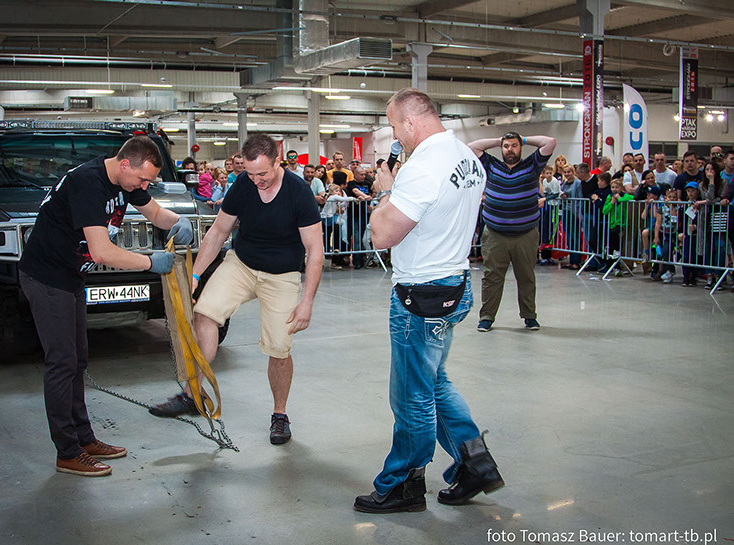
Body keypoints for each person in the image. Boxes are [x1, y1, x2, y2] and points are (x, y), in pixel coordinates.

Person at [353, 87, 501, 514]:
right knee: (434, 382)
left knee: (411, 395)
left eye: (395, 127)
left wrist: (386, 191)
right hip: (454, 283)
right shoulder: (466, 157)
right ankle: (475, 463)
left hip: (420, 295)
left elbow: (382, 236)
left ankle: (403, 483)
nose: (396, 137)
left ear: (411, 122)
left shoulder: (423, 167)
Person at [18, 136, 193, 477]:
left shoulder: (126, 181)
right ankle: (67, 452)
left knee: (77, 360)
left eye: (149, 181)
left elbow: (155, 212)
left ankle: (84, 439)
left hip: (70, 276)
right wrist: (150, 262)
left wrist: (177, 221)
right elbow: (101, 252)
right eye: (142, 179)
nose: (144, 186)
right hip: (47, 277)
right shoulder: (88, 183)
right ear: (125, 163)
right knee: (62, 363)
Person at [149, 134, 324, 446]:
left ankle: (279, 414)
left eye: (262, 174)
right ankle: (192, 394)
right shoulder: (243, 184)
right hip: (241, 264)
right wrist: (195, 275)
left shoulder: (298, 192)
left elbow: (315, 251)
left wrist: (307, 302)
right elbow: (218, 232)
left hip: (282, 275)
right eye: (250, 173)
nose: (256, 180)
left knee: (279, 347)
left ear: (278, 161)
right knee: (205, 314)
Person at [468, 131, 556, 332]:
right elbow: (472, 147)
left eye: (514, 146)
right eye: (506, 146)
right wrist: (498, 140)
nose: (510, 149)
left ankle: (529, 316)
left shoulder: (533, 164)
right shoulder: (491, 164)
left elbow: (550, 142)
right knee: (491, 278)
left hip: (525, 234)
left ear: (521, 147)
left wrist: (523, 138)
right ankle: (486, 317)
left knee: (526, 277)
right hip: (495, 234)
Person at [601, 178, 634, 274]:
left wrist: (620, 199)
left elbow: (631, 198)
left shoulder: (625, 196)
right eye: (612, 187)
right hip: (612, 222)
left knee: (615, 233)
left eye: (617, 187)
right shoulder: (609, 197)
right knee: (609, 238)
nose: (614, 189)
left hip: (621, 223)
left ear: (621, 188)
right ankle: (615, 266)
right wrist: (612, 202)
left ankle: (617, 251)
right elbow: (604, 211)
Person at [559, 164, 583, 269]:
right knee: (569, 236)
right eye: (565, 172)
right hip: (566, 211)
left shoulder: (578, 183)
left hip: (574, 212)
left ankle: (576, 261)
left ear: (573, 172)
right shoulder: (564, 184)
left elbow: (580, 198)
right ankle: (571, 260)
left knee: (575, 236)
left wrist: (579, 214)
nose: (567, 174)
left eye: (568, 172)